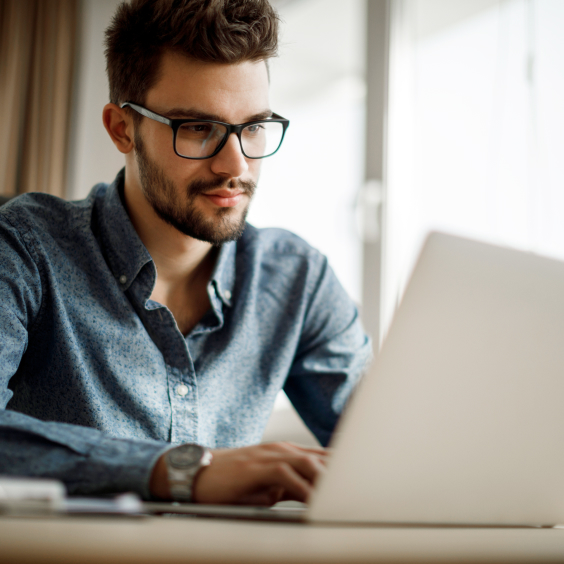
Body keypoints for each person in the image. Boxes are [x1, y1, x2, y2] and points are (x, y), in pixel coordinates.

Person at [0, 0, 370, 505]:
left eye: (254, 126)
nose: (234, 166)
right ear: (121, 128)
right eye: (198, 128)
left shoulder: (297, 278)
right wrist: (184, 471)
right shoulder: (25, 247)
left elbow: (389, 453)